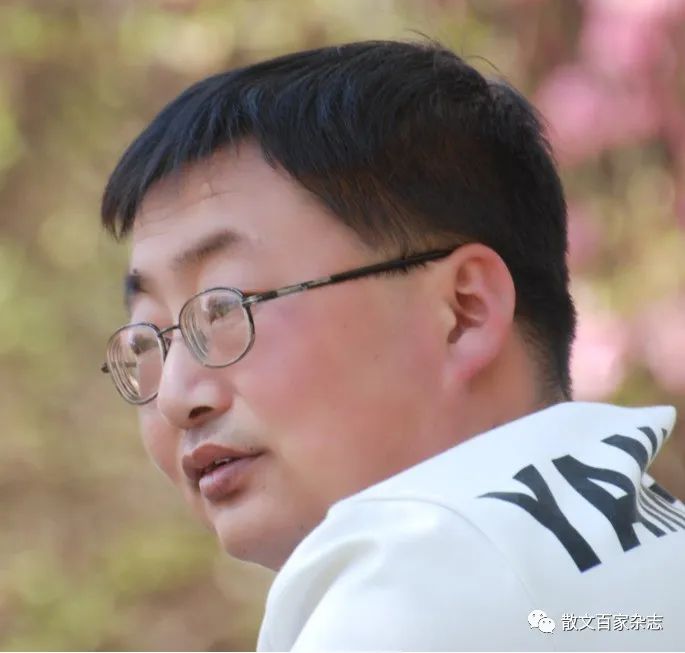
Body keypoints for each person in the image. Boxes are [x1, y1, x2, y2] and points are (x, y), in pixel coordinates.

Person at [99, 40, 685, 651]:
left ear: (463, 311)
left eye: (225, 308)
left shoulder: (411, 590)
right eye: (149, 336)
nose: (175, 398)